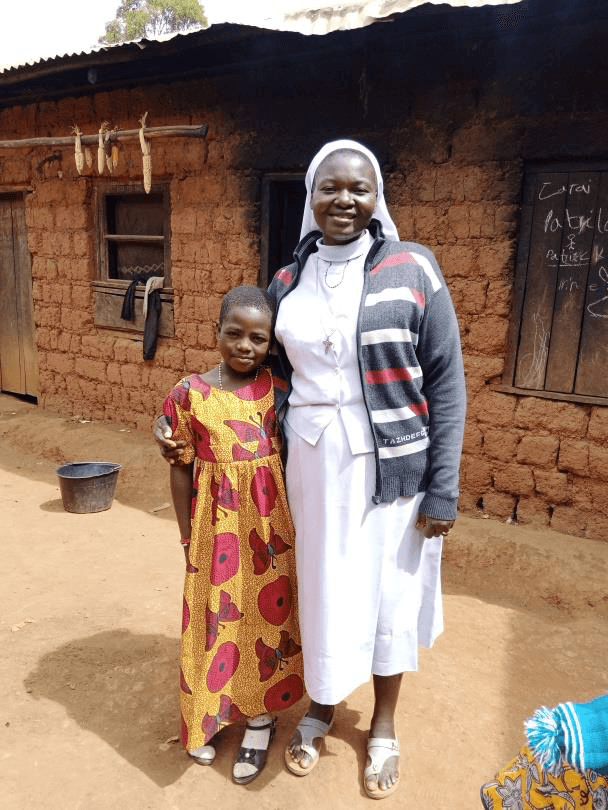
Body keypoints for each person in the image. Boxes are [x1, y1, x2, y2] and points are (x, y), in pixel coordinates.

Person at [267, 139, 466, 799]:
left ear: (377, 196)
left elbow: (447, 383)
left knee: (387, 593)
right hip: (311, 466)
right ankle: (322, 704)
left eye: (359, 187)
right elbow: (267, 375)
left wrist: (442, 489)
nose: (344, 200)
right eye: (330, 187)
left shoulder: (413, 268)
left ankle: (382, 724)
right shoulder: (286, 281)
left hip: (393, 469)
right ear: (311, 196)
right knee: (322, 589)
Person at [161, 284, 303, 785]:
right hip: (213, 529)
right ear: (216, 333)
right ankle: (207, 713)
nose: (245, 346)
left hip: (268, 529)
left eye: (258, 339)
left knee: (264, 619)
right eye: (234, 334)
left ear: (270, 343)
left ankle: (260, 720)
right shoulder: (188, 394)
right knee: (213, 617)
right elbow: (179, 465)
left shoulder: (278, 390)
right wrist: (186, 536)